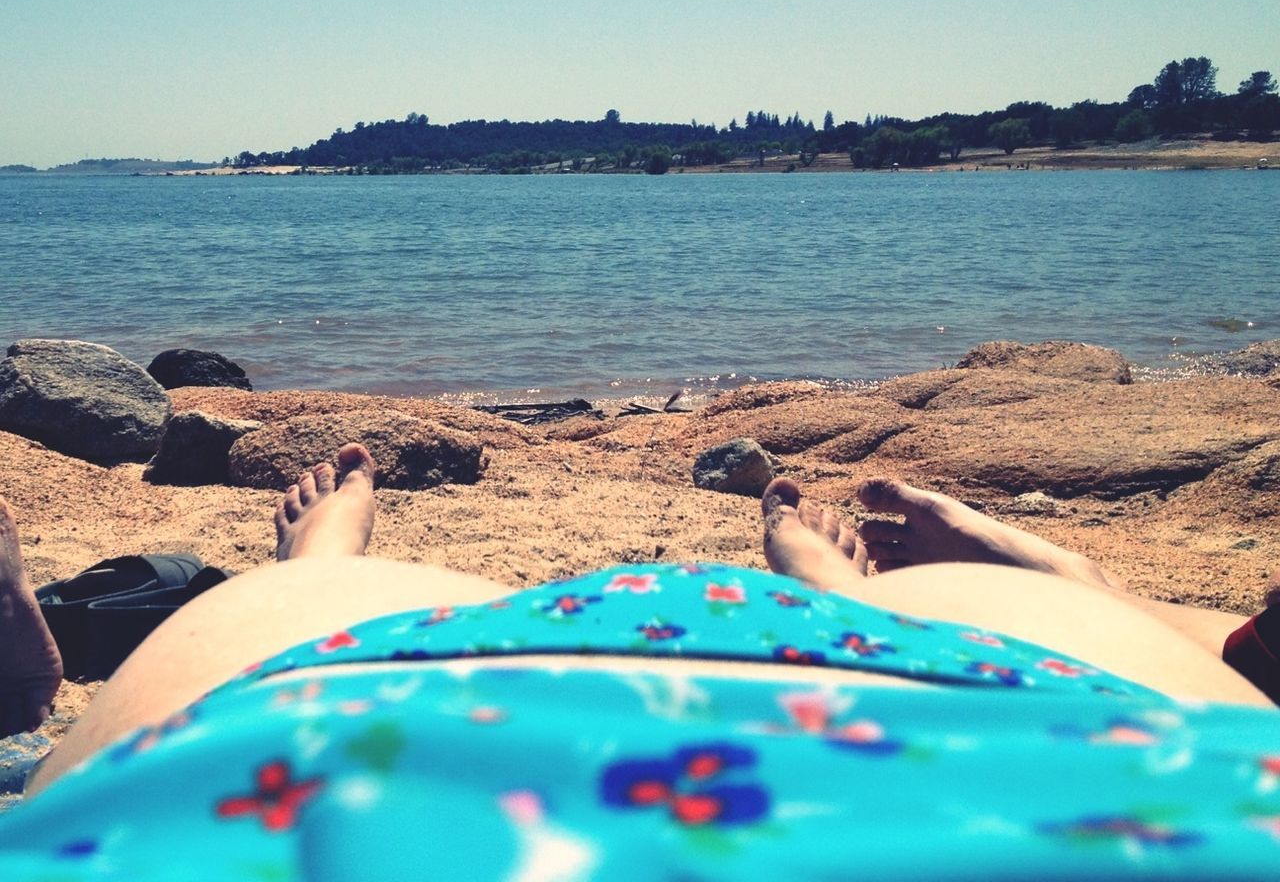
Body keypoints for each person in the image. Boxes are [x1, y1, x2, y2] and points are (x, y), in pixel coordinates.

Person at [3, 445, 1280, 879]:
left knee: (304, 600)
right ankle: (848, 586)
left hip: (337, 711)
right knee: (981, 615)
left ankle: (312, 562)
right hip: (1039, 732)